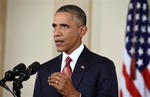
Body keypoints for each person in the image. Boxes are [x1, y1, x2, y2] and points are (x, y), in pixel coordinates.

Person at [33, 4, 118, 97]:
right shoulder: (44, 70)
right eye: (54, 26)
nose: (56, 33)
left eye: (64, 26)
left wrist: (74, 95)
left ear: (82, 31)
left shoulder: (103, 66)